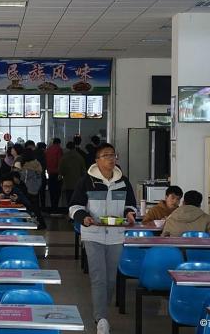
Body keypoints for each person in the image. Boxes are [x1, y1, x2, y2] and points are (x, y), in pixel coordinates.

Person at [69, 143, 137, 334]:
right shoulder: (87, 181)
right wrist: (84, 217)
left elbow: (130, 205)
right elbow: (74, 206)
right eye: (106, 155)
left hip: (116, 235)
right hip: (93, 234)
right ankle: (101, 319)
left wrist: (130, 213)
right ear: (97, 160)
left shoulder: (123, 181)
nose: (110, 158)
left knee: (110, 279)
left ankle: (102, 313)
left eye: (113, 155)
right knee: (99, 277)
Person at [20, 148, 47, 229]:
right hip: (35, 189)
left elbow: (23, 179)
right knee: (36, 208)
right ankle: (41, 223)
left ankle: (32, 223)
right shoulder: (37, 164)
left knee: (29, 207)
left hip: (27, 189)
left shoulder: (27, 166)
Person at [59, 142, 86, 212]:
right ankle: (75, 214)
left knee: (69, 199)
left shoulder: (64, 157)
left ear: (67, 148)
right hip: (78, 183)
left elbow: (61, 170)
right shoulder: (80, 157)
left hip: (68, 183)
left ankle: (69, 212)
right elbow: (83, 171)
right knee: (77, 201)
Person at [45, 138, 64, 212]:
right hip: (57, 173)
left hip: (50, 173)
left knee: (51, 191)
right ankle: (55, 208)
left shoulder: (48, 150)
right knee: (57, 192)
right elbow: (60, 161)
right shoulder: (59, 149)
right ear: (59, 143)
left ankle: (52, 207)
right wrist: (60, 173)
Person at [34, 142, 48, 209]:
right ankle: (43, 208)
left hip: (34, 177)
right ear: (43, 148)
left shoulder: (33, 153)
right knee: (42, 193)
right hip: (42, 176)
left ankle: (36, 208)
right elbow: (45, 165)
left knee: (35, 194)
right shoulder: (43, 154)